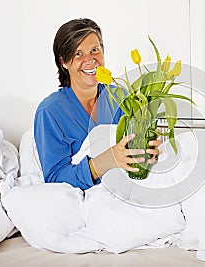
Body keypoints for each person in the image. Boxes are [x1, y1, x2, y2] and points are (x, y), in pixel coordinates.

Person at [34, 18, 161, 190]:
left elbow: (135, 153)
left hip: (128, 189)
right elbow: (55, 178)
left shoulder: (121, 97)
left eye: (95, 50)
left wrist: (149, 149)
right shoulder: (50, 112)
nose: (90, 59)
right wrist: (102, 163)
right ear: (63, 61)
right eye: (78, 53)